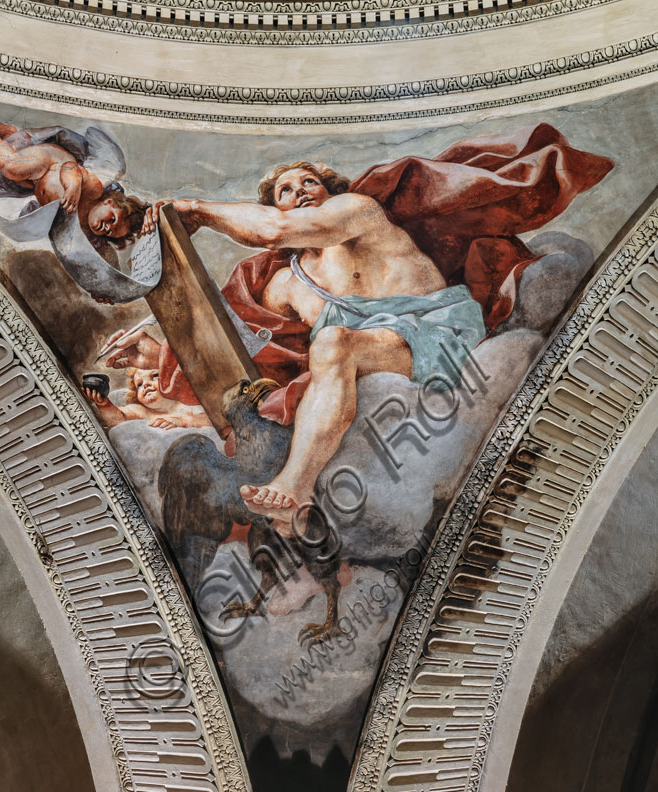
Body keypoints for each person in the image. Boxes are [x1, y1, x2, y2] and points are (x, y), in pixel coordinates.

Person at [138, 160, 486, 530]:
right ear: (271, 207)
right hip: (376, 350)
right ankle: (293, 501)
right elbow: (242, 336)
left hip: (436, 334)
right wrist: (156, 351)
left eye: (309, 182)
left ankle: (295, 484)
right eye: (285, 191)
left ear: (329, 190)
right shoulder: (289, 281)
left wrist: (196, 210)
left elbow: (274, 232)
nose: (300, 190)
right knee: (328, 347)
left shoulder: (356, 211)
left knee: (334, 341)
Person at [0, 120, 147, 247]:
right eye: (111, 220)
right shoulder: (94, 191)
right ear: (110, 203)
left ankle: (11, 136)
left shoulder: (82, 226)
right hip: (50, 161)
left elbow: (85, 255)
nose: (106, 227)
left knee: (15, 178)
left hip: (37, 183)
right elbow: (72, 167)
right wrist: (73, 186)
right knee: (12, 168)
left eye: (110, 233)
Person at [83, 367, 210, 430]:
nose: (146, 385)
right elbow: (118, 419)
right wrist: (104, 405)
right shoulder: (143, 411)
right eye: (139, 384)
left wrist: (182, 422)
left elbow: (212, 420)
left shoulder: (188, 404)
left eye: (154, 376)